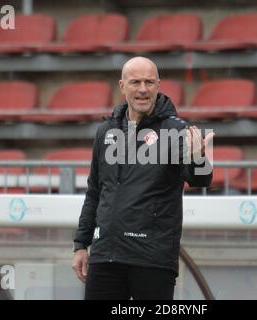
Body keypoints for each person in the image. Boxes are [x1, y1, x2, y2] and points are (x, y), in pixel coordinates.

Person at [72, 56, 214, 300]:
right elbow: (95, 191)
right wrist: (81, 244)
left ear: (158, 85)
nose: (142, 89)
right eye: (135, 82)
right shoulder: (106, 130)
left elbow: (202, 181)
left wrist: (199, 157)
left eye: (149, 82)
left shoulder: (179, 131)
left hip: (152, 259)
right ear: (122, 86)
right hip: (105, 255)